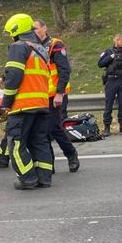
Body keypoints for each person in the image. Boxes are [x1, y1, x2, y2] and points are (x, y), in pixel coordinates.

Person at [1, 13, 53, 190]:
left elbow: (14, 76)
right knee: (39, 141)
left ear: (16, 31)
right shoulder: (41, 49)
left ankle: (27, 178)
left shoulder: (18, 47)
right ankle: (44, 178)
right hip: (41, 104)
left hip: (23, 106)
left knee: (15, 144)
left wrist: (6, 103)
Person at [33, 19, 80, 173]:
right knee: (43, 130)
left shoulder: (55, 44)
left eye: (36, 28)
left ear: (44, 28)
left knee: (54, 127)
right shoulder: (33, 47)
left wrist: (60, 93)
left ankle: (71, 154)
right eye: (32, 29)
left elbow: (64, 70)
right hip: (41, 95)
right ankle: (48, 164)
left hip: (56, 95)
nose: (34, 31)